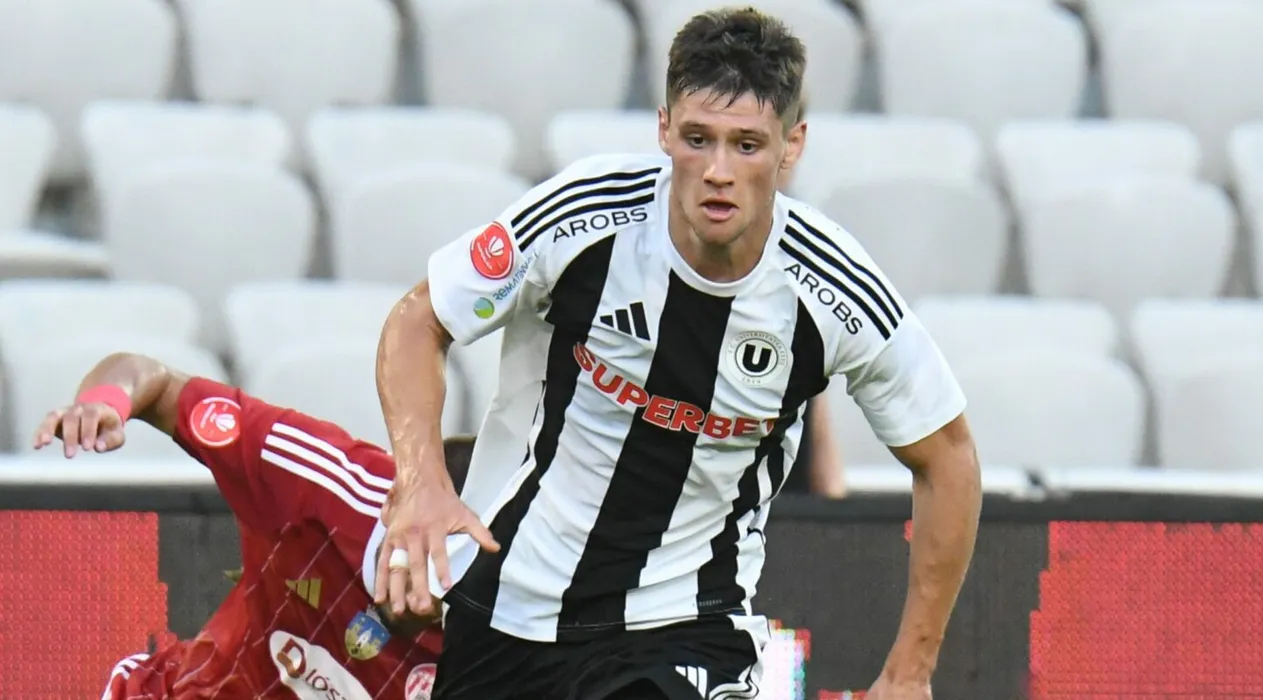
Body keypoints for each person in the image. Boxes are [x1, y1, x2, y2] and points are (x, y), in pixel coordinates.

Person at [373, 7, 981, 700]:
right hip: (512, 603)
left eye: (746, 145)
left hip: (688, 623)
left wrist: (910, 671)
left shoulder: (833, 290)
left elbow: (949, 458)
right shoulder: (584, 216)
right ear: (663, 128)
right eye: (698, 139)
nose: (718, 171)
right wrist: (421, 481)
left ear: (792, 145)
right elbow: (419, 320)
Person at [32, 351, 473, 700]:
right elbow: (155, 380)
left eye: (449, 580)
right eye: (423, 559)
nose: (424, 597)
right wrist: (102, 403)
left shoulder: (503, 627)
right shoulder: (316, 478)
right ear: (395, 503)